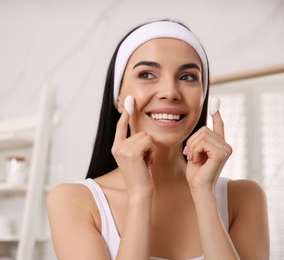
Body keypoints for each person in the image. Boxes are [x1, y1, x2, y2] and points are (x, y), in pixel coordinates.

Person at [47, 20, 269, 260]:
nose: (170, 92)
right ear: (119, 97)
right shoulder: (74, 201)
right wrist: (140, 196)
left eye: (187, 76)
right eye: (146, 74)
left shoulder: (244, 198)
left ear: (203, 97)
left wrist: (205, 195)